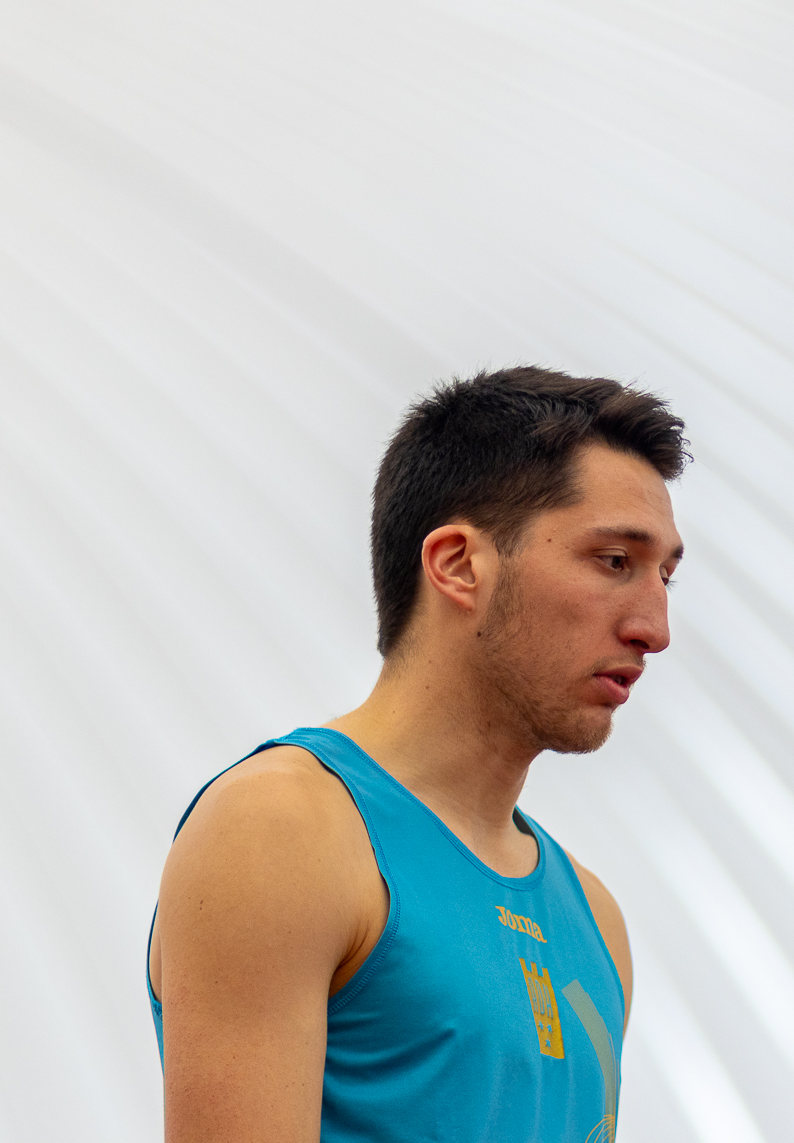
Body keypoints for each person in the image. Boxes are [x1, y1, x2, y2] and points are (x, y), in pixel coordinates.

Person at [146, 367, 688, 1143]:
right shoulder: (281, 830)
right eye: (613, 562)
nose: (654, 628)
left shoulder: (596, 921)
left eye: (666, 575)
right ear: (458, 564)